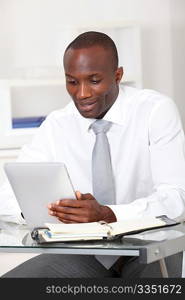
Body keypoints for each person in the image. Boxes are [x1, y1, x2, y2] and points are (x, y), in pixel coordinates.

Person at [1, 31, 185, 277]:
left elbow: (176, 198)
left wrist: (108, 214)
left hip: (150, 245)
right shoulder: (58, 123)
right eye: (72, 82)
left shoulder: (155, 112)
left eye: (94, 80)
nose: (82, 93)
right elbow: (6, 196)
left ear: (118, 75)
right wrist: (47, 210)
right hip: (84, 252)